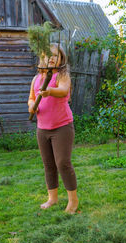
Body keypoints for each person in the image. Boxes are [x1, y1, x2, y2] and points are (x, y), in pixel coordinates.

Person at [28, 43, 78, 214]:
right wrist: (31, 107)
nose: (51, 58)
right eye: (48, 55)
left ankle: (73, 201)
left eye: (55, 55)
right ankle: (53, 198)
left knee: (63, 163)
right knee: (49, 165)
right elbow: (31, 98)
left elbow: (63, 91)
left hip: (62, 127)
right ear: (42, 58)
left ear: (61, 59)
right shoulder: (36, 79)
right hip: (42, 129)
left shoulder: (62, 75)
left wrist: (49, 91)